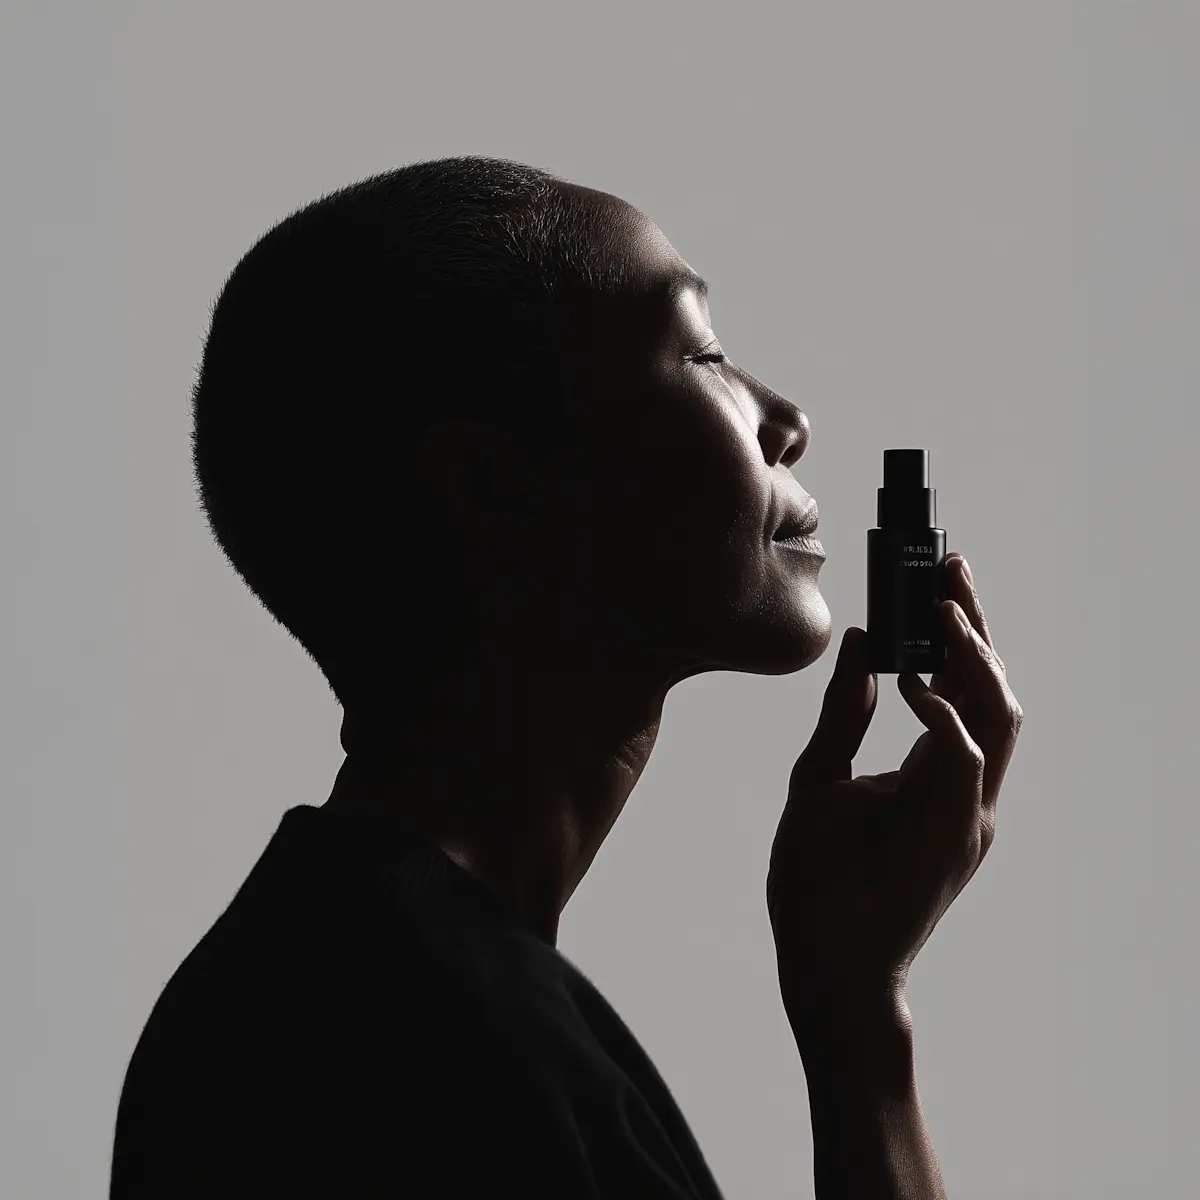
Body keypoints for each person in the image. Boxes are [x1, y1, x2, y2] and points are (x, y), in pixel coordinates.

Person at [109, 155, 1022, 1198]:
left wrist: (856, 1006)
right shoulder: (428, 1043)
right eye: (705, 353)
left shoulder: (338, 986)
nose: (788, 418)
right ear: (494, 487)